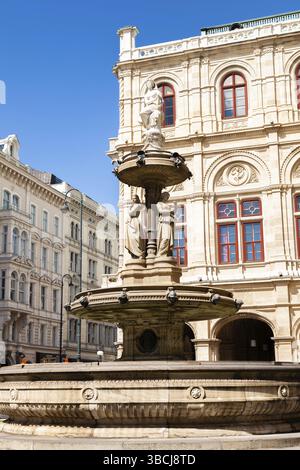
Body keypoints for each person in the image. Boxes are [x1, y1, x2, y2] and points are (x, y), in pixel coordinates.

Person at [156, 192, 175, 257]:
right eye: (166, 196)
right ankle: (160, 253)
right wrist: (170, 211)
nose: (167, 198)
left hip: (169, 222)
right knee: (165, 238)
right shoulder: (159, 204)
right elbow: (160, 211)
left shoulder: (166, 205)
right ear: (163, 196)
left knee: (168, 238)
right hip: (163, 222)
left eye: (168, 197)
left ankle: (165, 253)